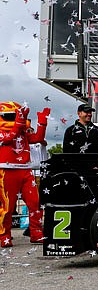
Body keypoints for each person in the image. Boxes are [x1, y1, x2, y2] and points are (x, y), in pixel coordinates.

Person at [0, 102, 50, 247]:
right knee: (7, 206)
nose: (18, 118)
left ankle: (36, 233)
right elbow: (9, 138)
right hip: (6, 170)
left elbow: (38, 138)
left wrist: (42, 122)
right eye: (13, 116)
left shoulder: (23, 131)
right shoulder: (4, 130)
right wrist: (20, 121)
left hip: (25, 169)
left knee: (35, 203)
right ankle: (4, 235)